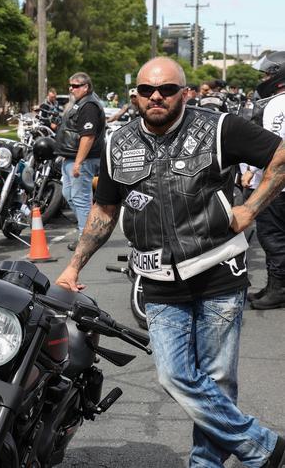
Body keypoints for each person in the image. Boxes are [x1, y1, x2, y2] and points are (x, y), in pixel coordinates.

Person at [56, 56, 285, 468]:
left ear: (184, 92)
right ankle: (263, 446)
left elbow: (281, 155)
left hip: (219, 272)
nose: (155, 97)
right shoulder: (117, 143)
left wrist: (250, 208)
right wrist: (74, 265)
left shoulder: (218, 128)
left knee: (216, 383)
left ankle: (205, 465)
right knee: (174, 376)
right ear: (136, 95)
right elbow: (104, 211)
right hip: (157, 279)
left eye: (165, 89)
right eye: (146, 90)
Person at [243, 51, 285, 310]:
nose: (265, 78)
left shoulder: (277, 105)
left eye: (268, 73)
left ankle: (279, 289)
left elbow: (271, 148)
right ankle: (274, 285)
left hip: (275, 186)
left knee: (273, 238)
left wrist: (251, 170)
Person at [55, 72, 105, 250]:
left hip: (83, 159)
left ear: (86, 87)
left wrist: (78, 162)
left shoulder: (89, 105)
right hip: (72, 157)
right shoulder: (80, 103)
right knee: (70, 195)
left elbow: (88, 136)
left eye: (75, 86)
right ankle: (90, 230)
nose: (71, 89)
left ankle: (87, 239)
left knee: (81, 198)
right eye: (70, 85)